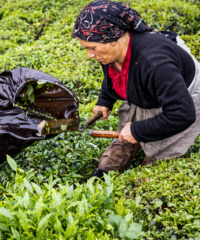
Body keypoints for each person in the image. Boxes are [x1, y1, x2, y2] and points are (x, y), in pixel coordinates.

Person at [72, 0, 200, 177]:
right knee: (129, 129)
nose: (89, 55)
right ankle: (114, 160)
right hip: (149, 83)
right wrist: (105, 101)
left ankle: (149, 165)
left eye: (92, 48)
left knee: (159, 151)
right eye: (85, 48)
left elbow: (182, 114)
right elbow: (114, 75)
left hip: (182, 97)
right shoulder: (109, 54)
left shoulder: (156, 64)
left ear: (114, 38)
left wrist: (138, 130)